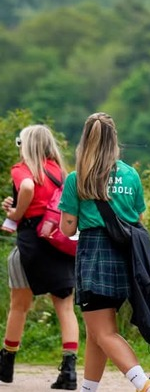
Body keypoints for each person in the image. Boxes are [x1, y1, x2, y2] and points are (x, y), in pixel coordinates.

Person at [57, 113, 150, 392]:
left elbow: (67, 228)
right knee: (96, 332)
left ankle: (144, 383)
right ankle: (88, 389)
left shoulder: (77, 177)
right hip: (125, 256)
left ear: (85, 139)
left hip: (94, 255)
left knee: (104, 331)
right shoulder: (130, 173)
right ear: (114, 138)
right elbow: (139, 216)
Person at [0, 124, 79, 390]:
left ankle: (6, 364)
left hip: (31, 244)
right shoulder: (60, 172)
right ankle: (69, 371)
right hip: (59, 244)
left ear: (26, 145)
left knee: (19, 306)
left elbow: (26, 187)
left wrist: (15, 214)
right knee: (65, 307)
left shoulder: (23, 170)